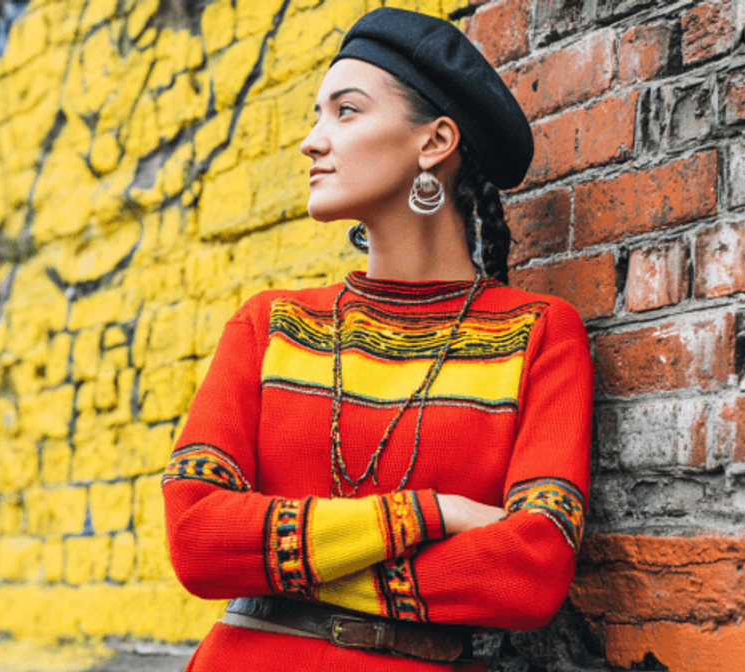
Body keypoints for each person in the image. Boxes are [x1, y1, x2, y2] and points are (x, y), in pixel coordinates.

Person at [161, 7, 594, 672]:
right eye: (317, 114)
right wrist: (434, 513)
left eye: (346, 111)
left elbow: (531, 570)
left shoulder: (535, 335)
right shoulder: (270, 326)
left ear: (434, 142)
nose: (312, 140)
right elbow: (196, 541)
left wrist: (283, 562)